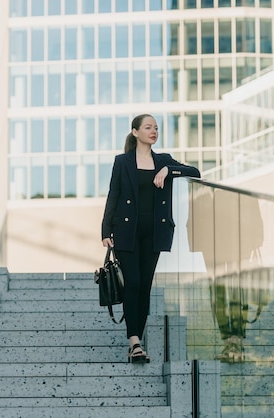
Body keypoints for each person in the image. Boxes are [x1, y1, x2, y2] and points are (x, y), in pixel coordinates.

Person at [101, 114, 201, 364]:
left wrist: (169, 170)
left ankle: (137, 340)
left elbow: (195, 171)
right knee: (132, 282)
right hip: (125, 231)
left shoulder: (163, 161)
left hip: (154, 232)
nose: (153, 131)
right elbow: (114, 193)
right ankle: (134, 340)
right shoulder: (122, 161)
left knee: (144, 285)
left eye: (156, 127)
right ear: (135, 132)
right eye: (148, 127)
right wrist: (105, 230)